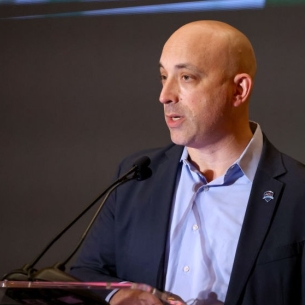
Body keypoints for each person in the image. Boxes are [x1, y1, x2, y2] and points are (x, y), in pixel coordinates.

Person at [70, 20, 305, 305]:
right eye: (163, 76)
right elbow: (88, 272)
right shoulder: (137, 176)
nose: (165, 96)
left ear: (239, 90)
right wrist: (120, 295)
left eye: (186, 78)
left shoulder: (297, 192)